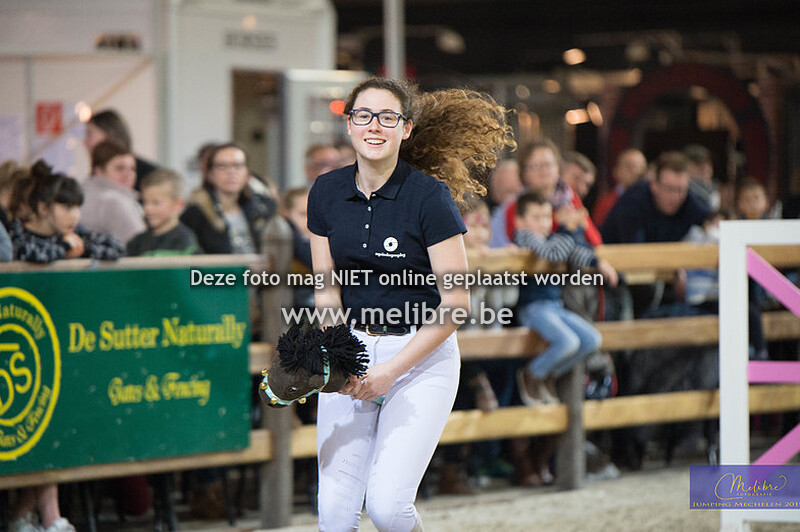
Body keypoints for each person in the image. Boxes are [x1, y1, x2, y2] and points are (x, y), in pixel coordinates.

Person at [307, 77, 514, 531]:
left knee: (386, 507)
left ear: (406, 128)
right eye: (363, 116)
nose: (374, 126)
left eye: (388, 117)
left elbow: (456, 304)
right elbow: (327, 290)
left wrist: (388, 372)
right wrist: (338, 356)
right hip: (354, 350)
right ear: (349, 124)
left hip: (421, 358)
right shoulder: (324, 192)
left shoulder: (430, 198)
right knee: (335, 515)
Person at [513, 191, 618, 405]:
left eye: (546, 216)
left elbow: (574, 252)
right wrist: (567, 228)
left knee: (592, 340)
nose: (543, 223)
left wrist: (597, 262)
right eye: (536, 217)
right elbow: (554, 253)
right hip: (533, 308)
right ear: (520, 221)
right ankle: (532, 374)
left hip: (554, 306)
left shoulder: (553, 238)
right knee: (568, 342)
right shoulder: (524, 237)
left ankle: (546, 374)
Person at [9, 161, 124, 263]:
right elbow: (30, 253)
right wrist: (65, 248)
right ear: (43, 208)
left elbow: (117, 248)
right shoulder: (16, 235)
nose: (75, 216)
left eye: (78, 207)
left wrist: (82, 249)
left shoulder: (75, 235)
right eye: (67, 208)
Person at [180, 142, 276, 254]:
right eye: (222, 166)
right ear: (210, 174)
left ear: (247, 173)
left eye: (238, 166)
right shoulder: (195, 213)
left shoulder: (263, 207)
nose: (231, 172)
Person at [600, 151, 709, 244]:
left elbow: (711, 220)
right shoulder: (633, 201)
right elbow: (635, 254)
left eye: (681, 189)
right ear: (654, 186)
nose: (676, 197)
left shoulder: (690, 200)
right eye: (669, 189)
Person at [80, 141, 146, 245]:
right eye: (120, 168)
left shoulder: (81, 193)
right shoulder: (115, 201)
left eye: (132, 168)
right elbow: (140, 245)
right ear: (99, 171)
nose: (128, 174)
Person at [126, 169, 199, 256]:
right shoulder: (136, 242)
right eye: (145, 202)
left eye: (156, 202)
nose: (147, 208)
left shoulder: (186, 242)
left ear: (179, 205)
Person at [85, 109, 158, 191]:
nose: (85, 141)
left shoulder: (152, 176)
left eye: (89, 134)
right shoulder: (92, 181)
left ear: (109, 133)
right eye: (120, 168)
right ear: (99, 171)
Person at [591, 148, 647, 227]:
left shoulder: (652, 201)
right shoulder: (605, 203)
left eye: (641, 168)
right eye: (629, 166)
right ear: (616, 171)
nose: (636, 172)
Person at [684, 144, 720, 211]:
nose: (705, 168)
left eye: (708, 163)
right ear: (687, 165)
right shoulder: (685, 190)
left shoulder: (714, 187)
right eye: (698, 164)